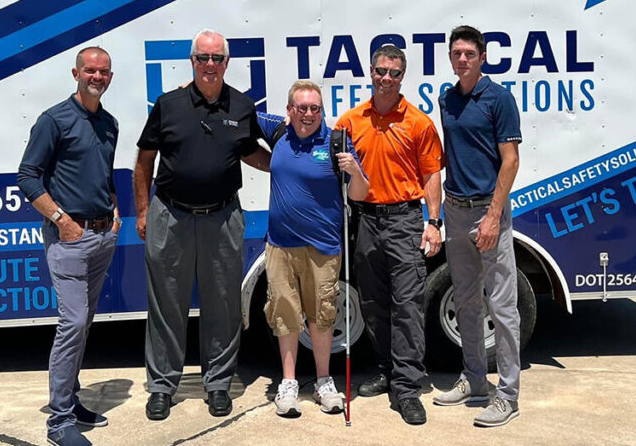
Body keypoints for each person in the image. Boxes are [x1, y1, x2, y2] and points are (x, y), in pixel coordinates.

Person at [134, 29, 270, 421]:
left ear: (227, 63)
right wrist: (144, 212)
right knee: (166, 306)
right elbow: (144, 161)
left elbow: (251, 153)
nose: (209, 65)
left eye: (217, 58)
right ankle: (162, 386)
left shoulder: (242, 106)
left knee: (223, 304)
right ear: (192, 61)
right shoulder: (168, 104)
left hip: (223, 216)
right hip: (170, 215)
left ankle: (218, 384)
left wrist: (289, 165)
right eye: (202, 58)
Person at [335, 44, 444, 425]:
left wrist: (434, 221)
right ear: (370, 71)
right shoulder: (350, 122)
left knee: (408, 304)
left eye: (394, 73)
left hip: (404, 221)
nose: (386, 78)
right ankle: (387, 370)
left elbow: (432, 174)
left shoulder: (418, 122)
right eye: (380, 71)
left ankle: (408, 388)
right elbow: (328, 163)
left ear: (402, 76)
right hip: (365, 221)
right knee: (372, 304)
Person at [18, 46, 120, 446]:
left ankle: (72, 400)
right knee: (72, 323)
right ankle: (59, 422)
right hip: (70, 238)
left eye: (104, 71)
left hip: (102, 236)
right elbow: (28, 177)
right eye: (90, 71)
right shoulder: (54, 120)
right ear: (75, 73)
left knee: (84, 324)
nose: (97, 77)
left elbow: (104, 174)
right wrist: (60, 220)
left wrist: (114, 212)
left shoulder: (109, 123)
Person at [257, 81, 368, 417]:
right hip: (280, 246)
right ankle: (288, 385)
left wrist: (354, 172)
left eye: (314, 108)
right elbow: (238, 110)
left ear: (322, 111)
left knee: (321, 317)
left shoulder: (337, 142)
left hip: (324, 248)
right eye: (301, 108)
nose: (308, 114)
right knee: (285, 316)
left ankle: (323, 382)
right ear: (289, 111)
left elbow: (361, 194)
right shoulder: (277, 132)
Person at [433, 25, 523, 427]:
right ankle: (474, 379)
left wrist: (492, 215)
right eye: (457, 53)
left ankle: (508, 395)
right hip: (455, 209)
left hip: (489, 211)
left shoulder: (500, 99)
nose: (463, 59)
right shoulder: (446, 98)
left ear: (482, 57)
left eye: (470, 53)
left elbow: (511, 160)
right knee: (466, 301)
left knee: (502, 307)